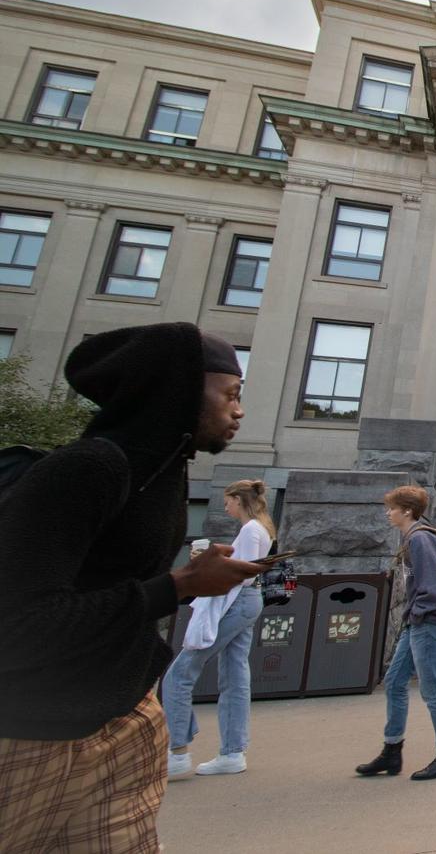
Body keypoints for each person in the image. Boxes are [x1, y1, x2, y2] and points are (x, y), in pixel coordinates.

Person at [0, 323, 264, 852]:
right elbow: (18, 623)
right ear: (181, 390)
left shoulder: (167, 471)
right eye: (231, 395)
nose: (239, 411)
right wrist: (180, 585)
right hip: (32, 735)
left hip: (124, 720)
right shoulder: (86, 469)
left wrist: (182, 586)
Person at [163, 478, 275, 780]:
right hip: (244, 602)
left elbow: (245, 573)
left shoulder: (251, 529)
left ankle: (177, 752)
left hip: (236, 602)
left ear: (240, 500)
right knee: (235, 673)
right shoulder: (259, 528)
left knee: (180, 675)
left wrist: (208, 567)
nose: (225, 506)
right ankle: (232, 752)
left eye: (227, 500)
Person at [357, 485, 436, 781]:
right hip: (417, 621)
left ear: (407, 511)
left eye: (392, 508)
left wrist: (417, 612)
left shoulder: (420, 539)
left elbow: (433, 585)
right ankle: (392, 749)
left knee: (433, 688)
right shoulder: (412, 537)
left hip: (427, 622)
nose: (388, 513)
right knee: (394, 681)